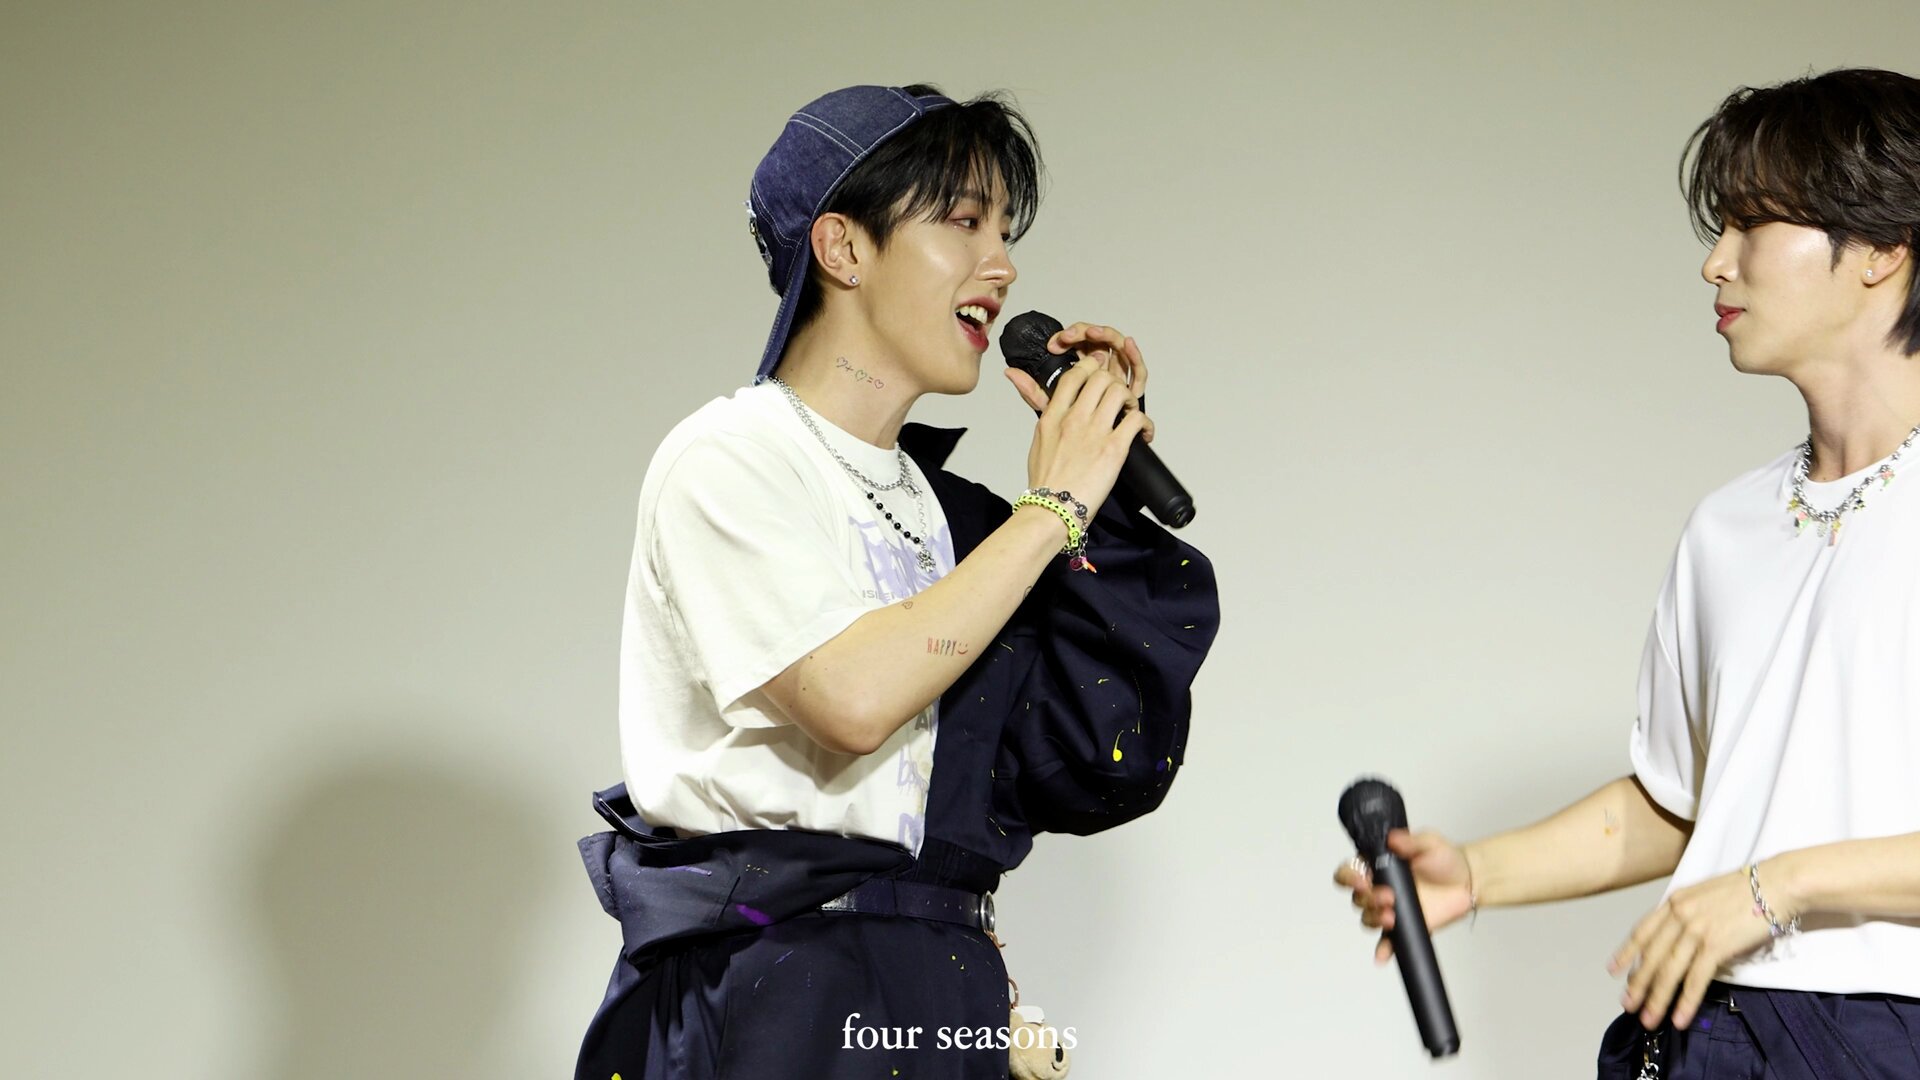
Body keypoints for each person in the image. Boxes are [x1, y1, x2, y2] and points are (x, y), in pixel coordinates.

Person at [574, 84, 1220, 1080]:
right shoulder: (731, 459)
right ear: (843, 247)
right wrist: (1052, 506)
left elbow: (1098, 765)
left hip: (942, 990)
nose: (1001, 265)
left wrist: (1100, 499)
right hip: (774, 990)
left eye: (1005, 232)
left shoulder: (965, 520)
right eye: (963, 222)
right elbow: (852, 697)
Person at [1334, 68, 1920, 1079]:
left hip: (1885, 1026)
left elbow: (1758, 863)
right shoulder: (1728, 525)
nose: (1715, 262)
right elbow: (1685, 800)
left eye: (1752, 224)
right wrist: (1477, 872)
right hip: (1699, 1027)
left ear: (1881, 249)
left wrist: (1778, 885)